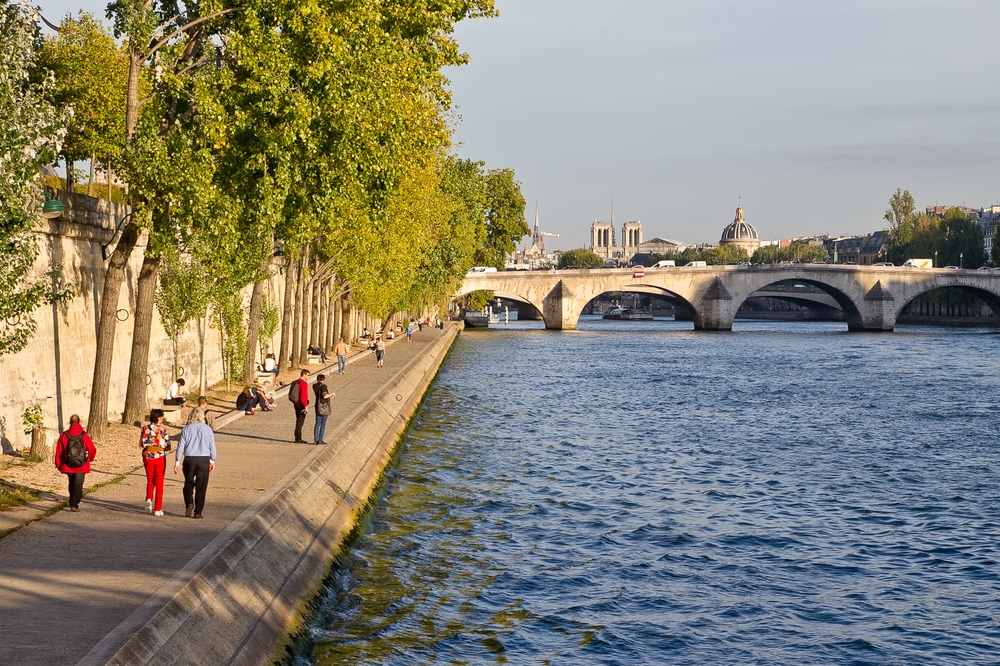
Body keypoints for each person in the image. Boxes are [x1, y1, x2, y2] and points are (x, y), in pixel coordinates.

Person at [174, 407, 216, 519]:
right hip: (203, 459)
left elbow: (180, 446)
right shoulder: (208, 429)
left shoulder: (186, 429)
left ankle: (189, 503)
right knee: (201, 486)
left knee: (188, 482)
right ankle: (198, 512)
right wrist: (212, 460)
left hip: (189, 459)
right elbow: (212, 446)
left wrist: (177, 461)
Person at [53, 415, 96, 512]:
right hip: (82, 464)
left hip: (68, 464)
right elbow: (92, 449)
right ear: (79, 422)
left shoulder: (64, 435)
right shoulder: (84, 435)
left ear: (70, 422)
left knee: (71, 483)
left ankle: (72, 501)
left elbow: (59, 452)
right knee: (78, 484)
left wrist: (58, 464)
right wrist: (90, 459)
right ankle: (74, 504)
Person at [140, 409, 171, 516]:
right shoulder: (162, 429)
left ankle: (149, 498)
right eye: (161, 417)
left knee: (150, 478)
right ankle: (158, 508)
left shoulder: (144, 428)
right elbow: (168, 445)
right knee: (159, 481)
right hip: (159, 456)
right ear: (158, 418)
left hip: (148, 455)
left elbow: (141, 443)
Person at [312, 374, 335, 445]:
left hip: (317, 405)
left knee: (317, 422)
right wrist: (332, 394)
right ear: (323, 379)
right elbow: (325, 396)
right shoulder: (324, 386)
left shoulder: (314, 385)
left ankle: (316, 439)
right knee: (323, 423)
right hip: (324, 406)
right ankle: (320, 439)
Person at [291, 369, 310, 443]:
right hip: (301, 404)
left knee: (298, 419)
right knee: (300, 421)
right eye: (308, 375)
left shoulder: (296, 382)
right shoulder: (304, 383)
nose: (308, 376)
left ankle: (297, 437)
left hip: (296, 403)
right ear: (304, 374)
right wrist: (305, 406)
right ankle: (298, 437)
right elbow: (303, 396)